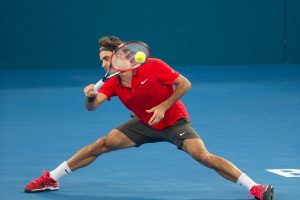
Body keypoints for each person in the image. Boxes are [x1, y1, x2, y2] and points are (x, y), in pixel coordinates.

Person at [24, 36, 274, 200]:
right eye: (100, 60)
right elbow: (93, 107)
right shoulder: (112, 83)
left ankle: (255, 188)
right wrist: (90, 96)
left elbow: (184, 84)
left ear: (120, 56)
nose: (102, 65)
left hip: (173, 121)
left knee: (203, 156)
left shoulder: (153, 66)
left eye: (105, 59)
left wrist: (164, 106)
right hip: (143, 124)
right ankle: (51, 179)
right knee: (100, 144)